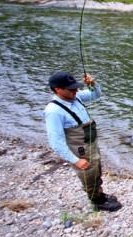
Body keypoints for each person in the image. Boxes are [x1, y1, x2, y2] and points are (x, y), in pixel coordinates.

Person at [44, 71, 122, 212]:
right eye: (71, 88)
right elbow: (56, 142)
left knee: (96, 170)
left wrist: (93, 84)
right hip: (79, 150)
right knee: (88, 174)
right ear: (58, 89)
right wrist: (75, 160)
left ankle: (99, 194)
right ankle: (97, 202)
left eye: (76, 87)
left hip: (90, 144)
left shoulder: (76, 97)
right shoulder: (53, 111)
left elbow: (96, 94)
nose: (76, 90)